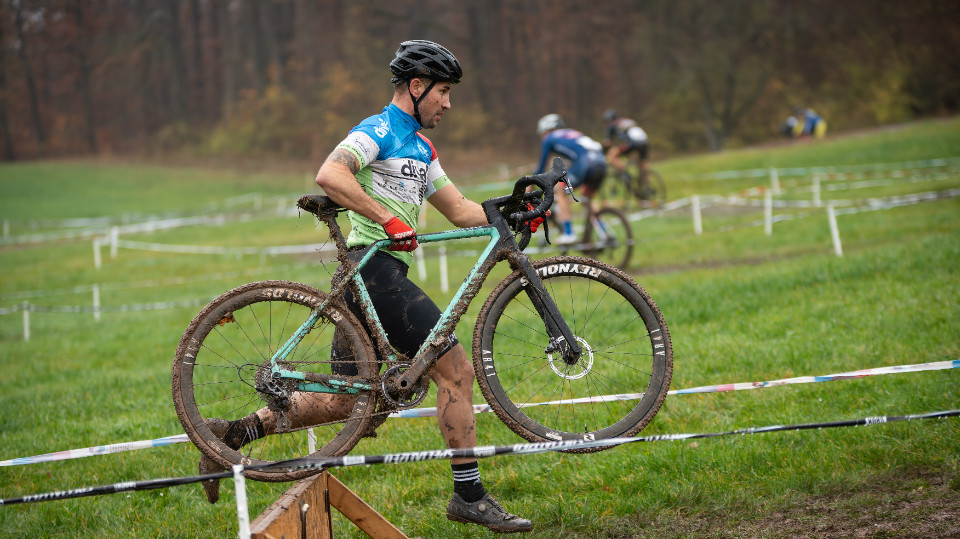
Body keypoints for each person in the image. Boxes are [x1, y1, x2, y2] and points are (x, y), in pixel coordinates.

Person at [198, 40, 534, 534]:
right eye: (443, 91)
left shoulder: (422, 147)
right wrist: (385, 219)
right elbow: (329, 173)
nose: (448, 102)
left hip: (380, 276)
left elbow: (461, 210)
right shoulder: (378, 130)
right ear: (416, 87)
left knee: (347, 402)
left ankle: (228, 434)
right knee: (456, 371)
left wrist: (516, 207)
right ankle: (470, 495)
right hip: (371, 271)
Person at [534, 113, 608, 243]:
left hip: (587, 163)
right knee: (587, 199)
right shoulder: (572, 133)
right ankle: (605, 233)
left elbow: (541, 165)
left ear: (547, 130)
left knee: (560, 190)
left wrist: (532, 182)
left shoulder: (549, 138)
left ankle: (569, 233)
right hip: (601, 163)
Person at [601, 109, 652, 199]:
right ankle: (647, 186)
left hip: (633, 143)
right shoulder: (628, 121)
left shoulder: (612, 125)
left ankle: (625, 173)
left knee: (611, 155)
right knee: (642, 164)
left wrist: (603, 150)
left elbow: (607, 143)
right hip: (644, 141)